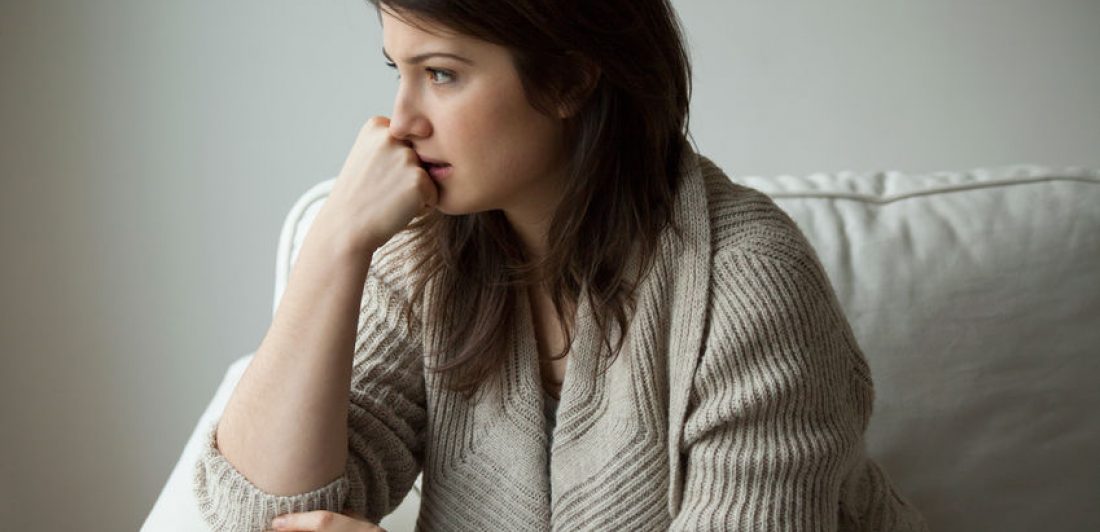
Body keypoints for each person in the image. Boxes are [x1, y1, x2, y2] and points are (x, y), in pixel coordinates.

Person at [193, 0, 930, 530]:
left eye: (441, 74)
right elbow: (256, 516)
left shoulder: (749, 283)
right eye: (398, 70)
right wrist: (334, 244)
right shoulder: (425, 262)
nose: (402, 122)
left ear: (570, 81)